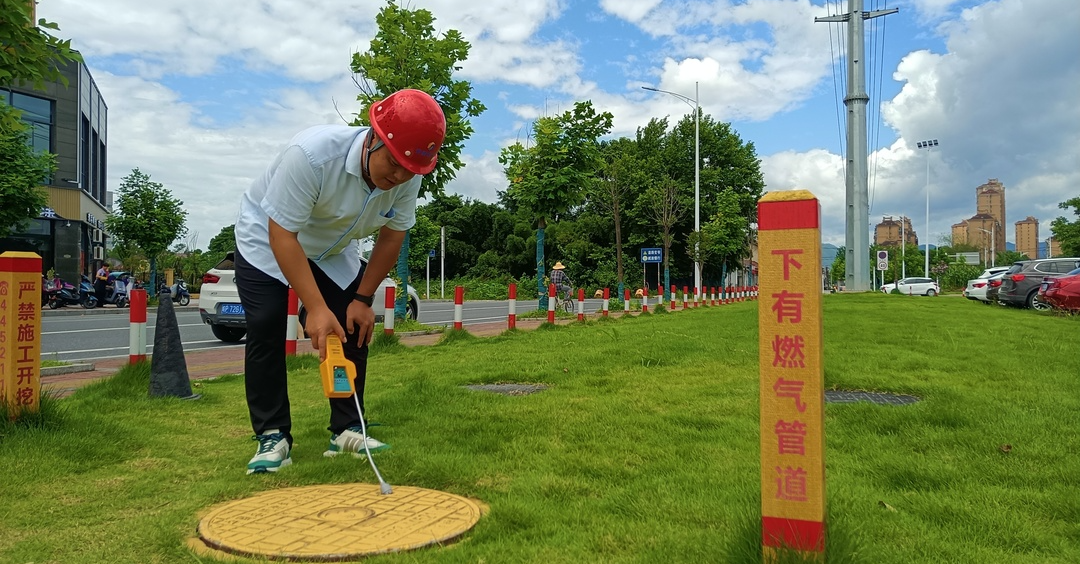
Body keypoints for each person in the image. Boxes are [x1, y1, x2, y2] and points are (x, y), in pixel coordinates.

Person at [233, 89, 446, 475]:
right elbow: (284, 236)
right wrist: (314, 308)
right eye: (394, 164)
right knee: (264, 322)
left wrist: (362, 298)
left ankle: (347, 428)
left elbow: (392, 236)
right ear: (374, 139)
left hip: (333, 249)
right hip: (267, 237)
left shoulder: (408, 174)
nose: (397, 177)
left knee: (355, 324)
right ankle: (272, 435)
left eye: (409, 171)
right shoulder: (312, 156)